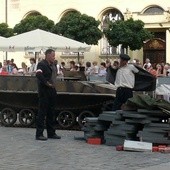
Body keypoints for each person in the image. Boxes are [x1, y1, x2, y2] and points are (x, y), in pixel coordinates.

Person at [35, 49, 61, 141]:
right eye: (53, 56)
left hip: (52, 90)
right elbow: (38, 74)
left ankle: (51, 133)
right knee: (42, 113)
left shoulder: (53, 65)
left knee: (51, 112)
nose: (54, 57)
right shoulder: (42, 64)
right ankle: (39, 134)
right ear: (47, 55)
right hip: (44, 91)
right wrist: (46, 83)